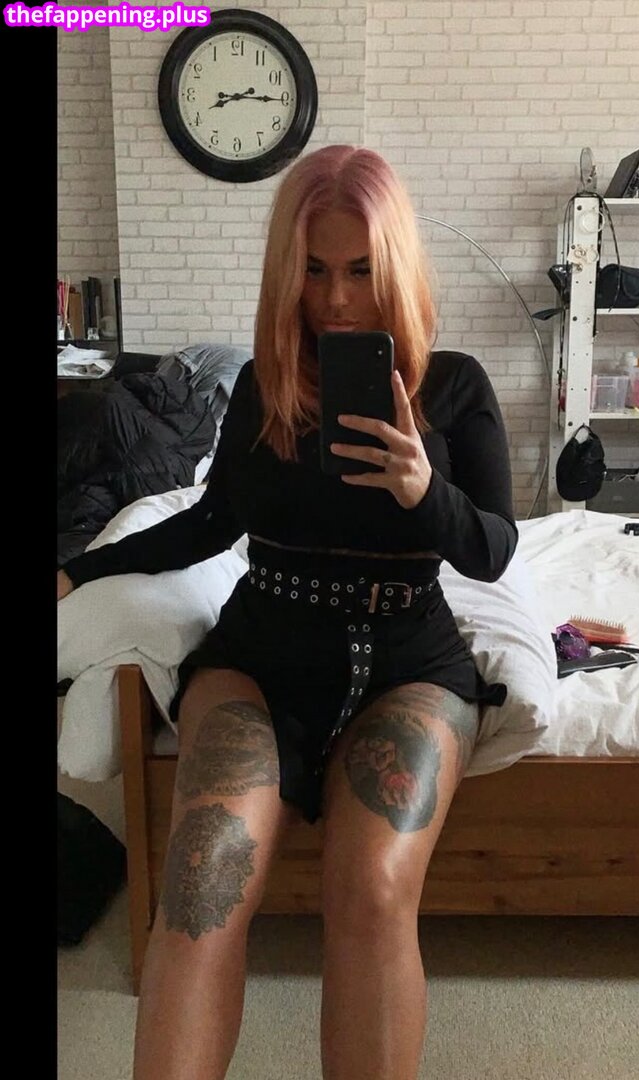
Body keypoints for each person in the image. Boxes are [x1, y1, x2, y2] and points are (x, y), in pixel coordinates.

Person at [57, 144, 518, 1080]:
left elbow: (492, 550)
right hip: (260, 658)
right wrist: (76, 570)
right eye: (312, 271)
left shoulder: (454, 385)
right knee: (201, 884)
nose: (335, 300)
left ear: (394, 265)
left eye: (358, 270)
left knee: (373, 891)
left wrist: (423, 490)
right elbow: (208, 523)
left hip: (410, 663)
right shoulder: (266, 387)